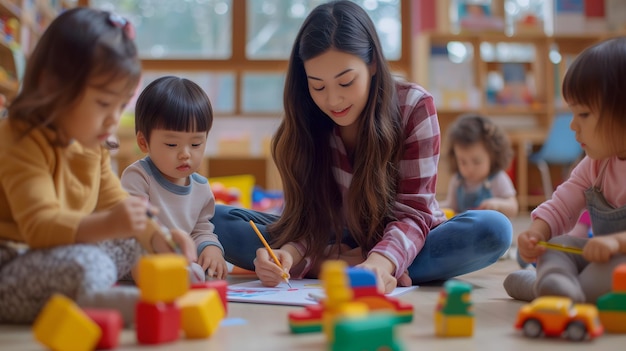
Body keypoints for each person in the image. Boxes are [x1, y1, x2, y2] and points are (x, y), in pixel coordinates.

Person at [212, 0, 512, 293]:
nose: (333, 100)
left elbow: (413, 214)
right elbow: (307, 217)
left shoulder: (414, 106)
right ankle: (349, 267)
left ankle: (357, 268)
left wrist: (381, 262)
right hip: (329, 234)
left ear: (371, 64)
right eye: (318, 86)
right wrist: (288, 253)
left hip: (404, 234)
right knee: (213, 221)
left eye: (345, 82)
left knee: (492, 229)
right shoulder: (307, 116)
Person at [0, 8, 196, 326]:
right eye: (104, 104)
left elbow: (117, 202)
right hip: (11, 261)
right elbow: (39, 227)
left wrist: (161, 240)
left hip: (56, 255)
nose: (113, 119)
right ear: (53, 86)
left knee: (131, 243)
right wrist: (110, 224)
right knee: (87, 263)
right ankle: (102, 302)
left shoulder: (93, 144)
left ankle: (96, 295)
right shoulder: (19, 138)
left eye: (121, 105)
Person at [503, 36, 626, 303]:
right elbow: (562, 205)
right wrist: (537, 232)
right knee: (559, 248)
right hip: (599, 255)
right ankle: (557, 285)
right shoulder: (595, 164)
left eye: (583, 115)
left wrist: (617, 243)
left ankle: (545, 288)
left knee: (603, 276)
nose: (572, 125)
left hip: (618, 263)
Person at [121, 76, 227, 280]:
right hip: (140, 253)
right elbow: (134, 225)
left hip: (177, 258)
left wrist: (211, 248)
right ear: (144, 142)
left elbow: (201, 229)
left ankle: (178, 277)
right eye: (172, 145)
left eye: (196, 144)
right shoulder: (138, 176)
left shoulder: (201, 188)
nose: (185, 154)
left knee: (204, 271)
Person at [439, 114, 518, 219]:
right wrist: (434, 206)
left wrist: (497, 204)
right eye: (462, 162)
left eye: (477, 162)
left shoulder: (497, 178)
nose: (469, 169)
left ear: (493, 156)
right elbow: (451, 207)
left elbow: (513, 207)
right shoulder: (457, 181)